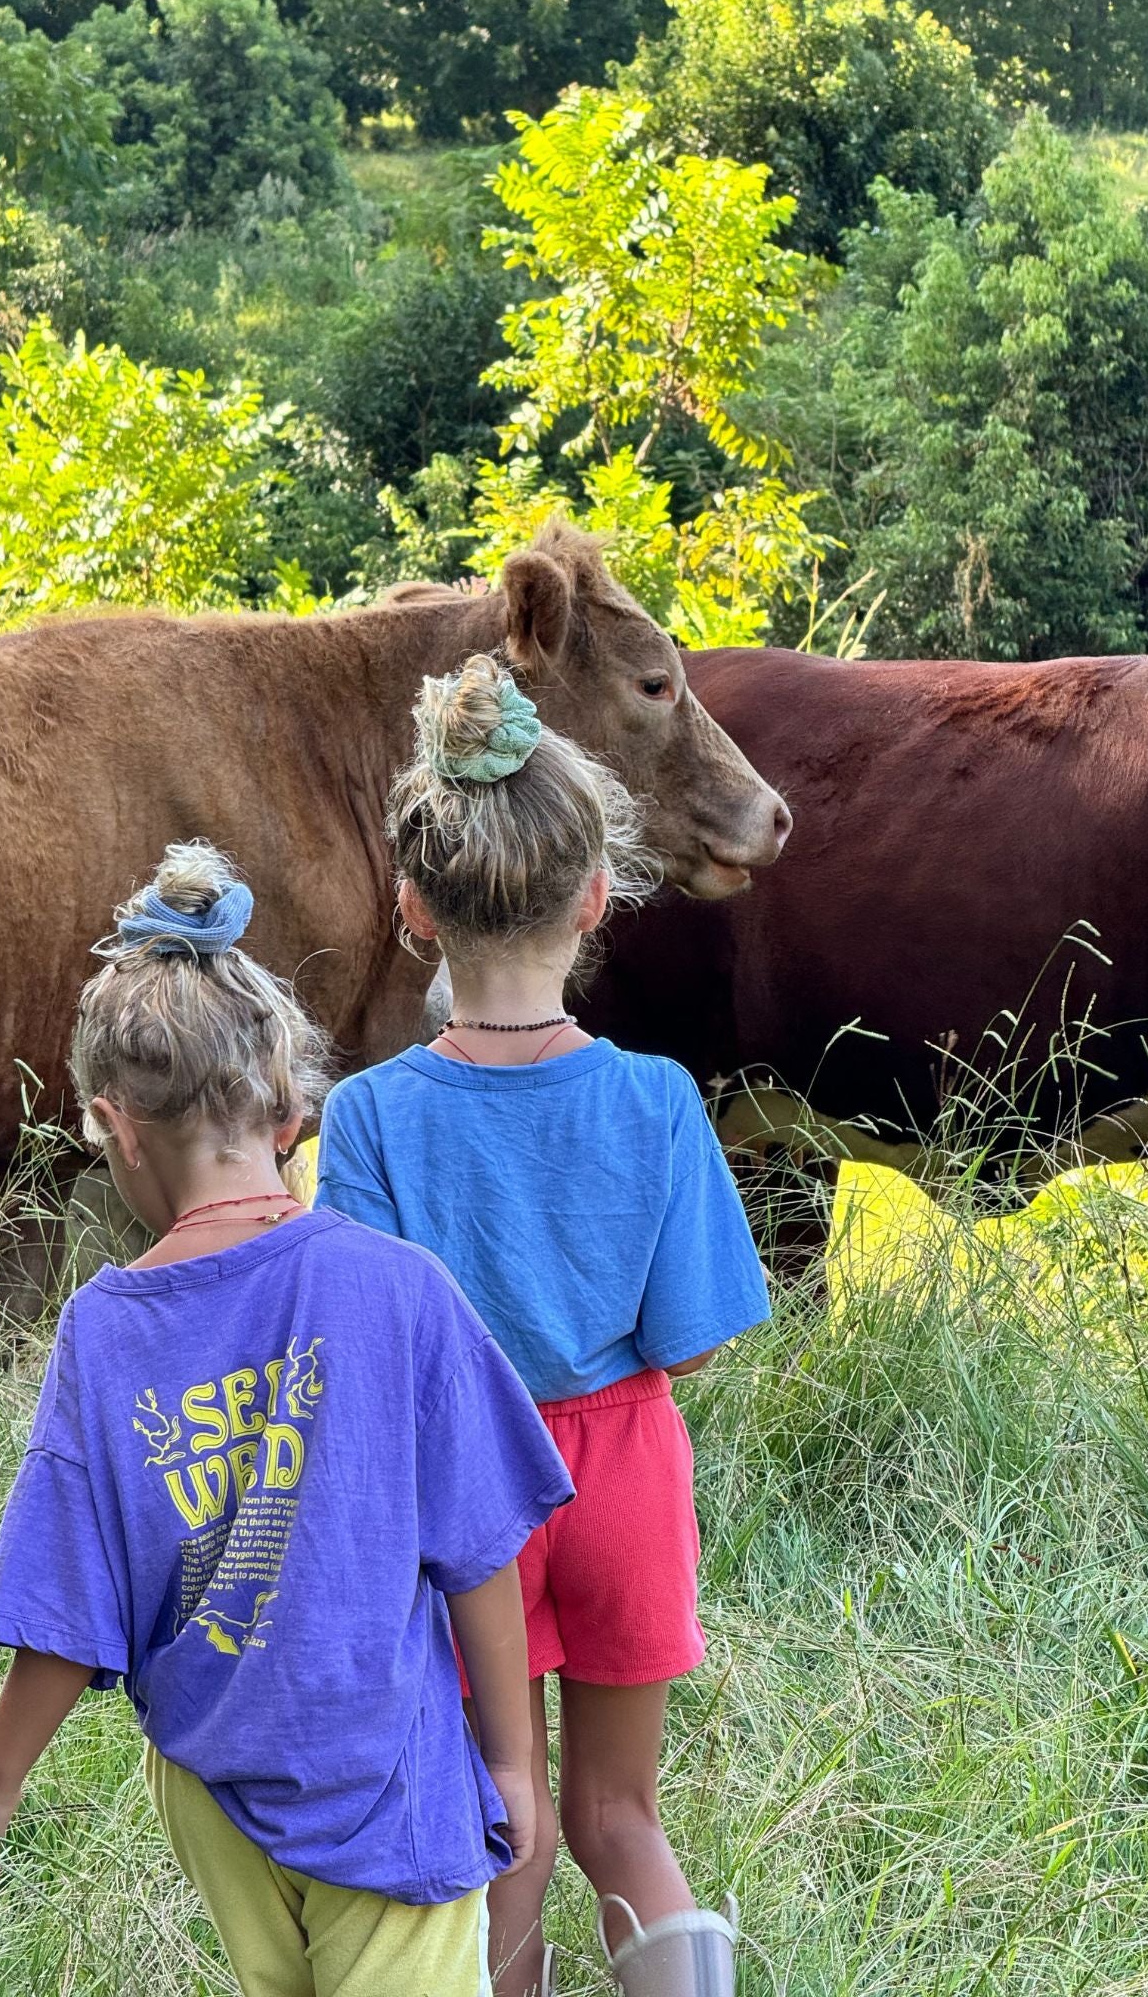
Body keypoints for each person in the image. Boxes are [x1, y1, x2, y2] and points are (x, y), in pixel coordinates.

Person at [0, 842, 573, 1997]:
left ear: (115, 1125)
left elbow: (69, 1607)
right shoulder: (398, 1285)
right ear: (288, 1108)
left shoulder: (104, 1330)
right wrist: (514, 1764)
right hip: (381, 1767)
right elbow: (480, 1548)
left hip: (209, 1782)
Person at [316, 658, 771, 1997]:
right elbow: (690, 1342)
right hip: (627, 1476)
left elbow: (372, 1354)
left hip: (466, 1495)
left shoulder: (370, 1116)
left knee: (498, 1816)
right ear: (594, 896)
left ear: (412, 908)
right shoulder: (658, 1099)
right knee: (621, 1816)